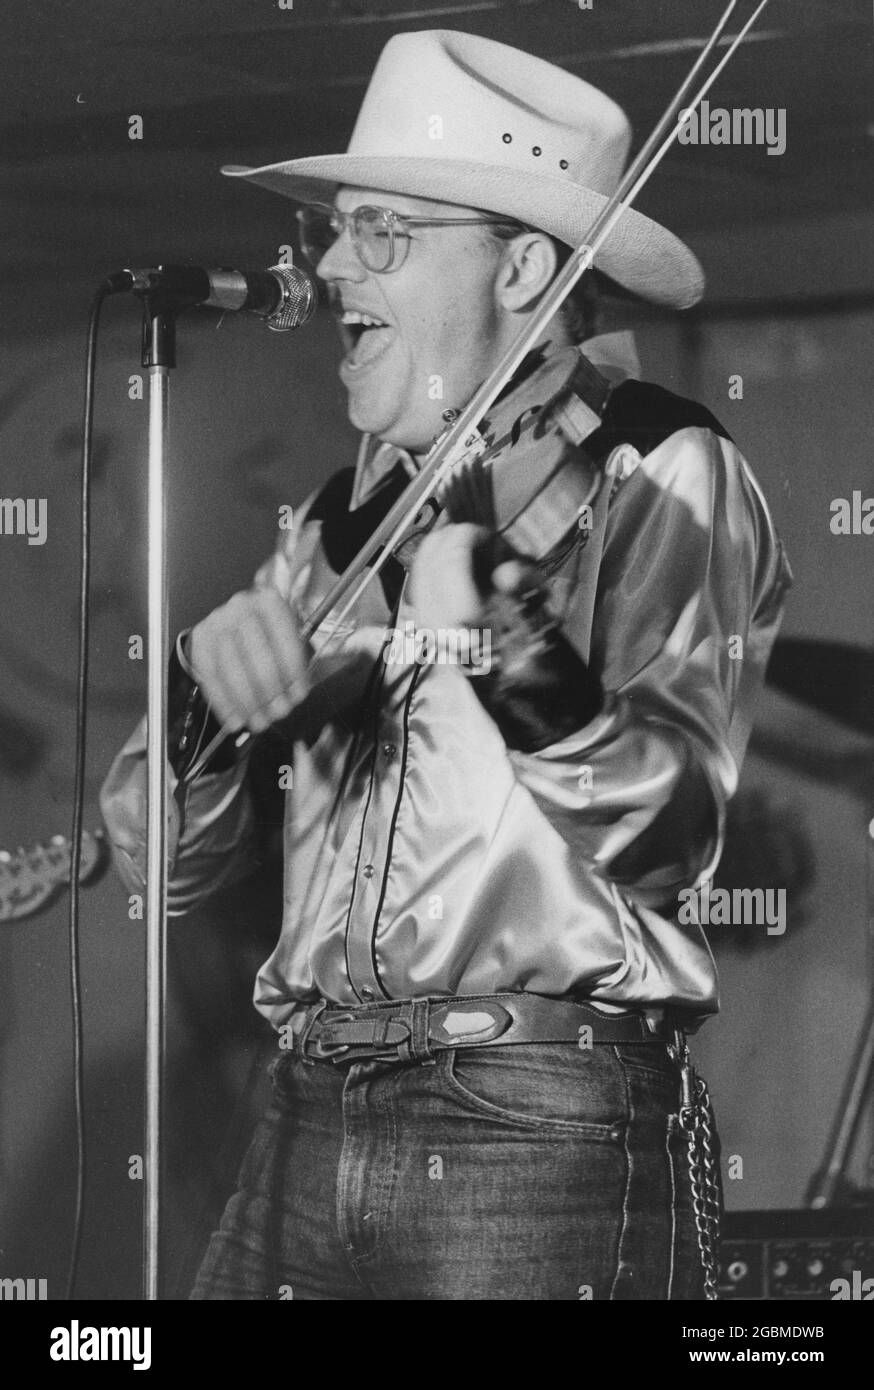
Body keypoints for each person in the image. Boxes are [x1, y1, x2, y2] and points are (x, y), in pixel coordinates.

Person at [100, 29, 792, 1300]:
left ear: (526, 264)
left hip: (532, 1117)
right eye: (336, 228)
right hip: (307, 1102)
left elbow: (665, 813)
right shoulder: (333, 524)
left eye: (385, 234)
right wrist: (204, 704)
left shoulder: (661, 467)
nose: (326, 265)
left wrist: (501, 633)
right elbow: (170, 863)